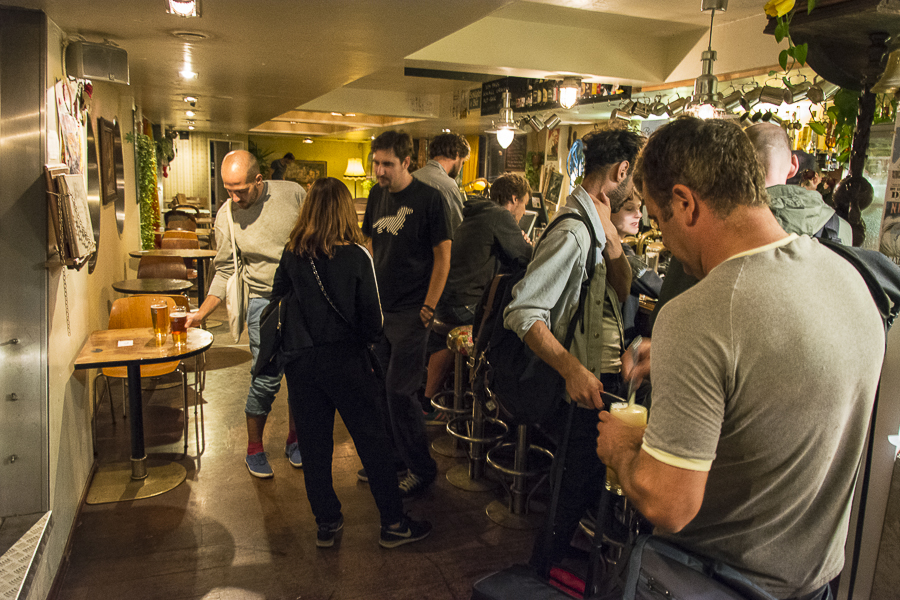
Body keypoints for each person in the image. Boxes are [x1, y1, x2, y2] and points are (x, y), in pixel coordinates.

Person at [596, 117, 885, 600]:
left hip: (714, 582)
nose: (664, 240)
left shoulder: (698, 315)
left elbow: (669, 504)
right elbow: (778, 392)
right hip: (814, 585)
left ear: (685, 203)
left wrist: (621, 449)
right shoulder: (851, 280)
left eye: (660, 220)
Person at [271, 177, 432, 549]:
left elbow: (277, 300)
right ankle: (393, 524)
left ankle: (326, 523)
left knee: (314, 447)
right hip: (347, 362)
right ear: (345, 211)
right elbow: (373, 322)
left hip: (302, 364)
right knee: (373, 443)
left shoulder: (292, 253)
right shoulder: (358, 256)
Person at [503, 128, 640, 564]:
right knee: (569, 492)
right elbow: (523, 312)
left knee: (580, 488)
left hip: (599, 380)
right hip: (581, 385)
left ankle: (556, 570)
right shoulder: (573, 231)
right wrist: (571, 370)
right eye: (636, 177)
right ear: (621, 170)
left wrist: (613, 241)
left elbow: (621, 291)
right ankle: (544, 573)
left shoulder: (599, 223)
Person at [185, 150, 306, 478]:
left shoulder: (294, 195)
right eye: (228, 189)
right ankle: (254, 448)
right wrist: (201, 313)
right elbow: (225, 270)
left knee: (301, 377)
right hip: (262, 304)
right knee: (265, 378)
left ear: (258, 180)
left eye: (240, 190)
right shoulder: (226, 214)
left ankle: (296, 440)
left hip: (300, 301)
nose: (234, 198)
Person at [361, 130, 452, 498]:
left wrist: (429, 307)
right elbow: (370, 242)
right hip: (381, 310)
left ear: (407, 162)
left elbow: (444, 255)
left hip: (414, 311)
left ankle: (422, 468)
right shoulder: (375, 195)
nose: (380, 170)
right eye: (376, 163)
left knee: (400, 392)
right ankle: (395, 460)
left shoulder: (429, 199)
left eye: (388, 164)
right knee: (381, 391)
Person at [423, 172, 533, 402]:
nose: (524, 212)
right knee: (512, 326)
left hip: (446, 302)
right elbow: (527, 259)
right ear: (514, 199)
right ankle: (487, 400)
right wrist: (527, 244)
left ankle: (429, 400)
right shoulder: (500, 216)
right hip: (463, 305)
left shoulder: (479, 213)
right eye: (525, 203)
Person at [609, 192, 662, 347]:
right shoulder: (619, 255)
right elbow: (660, 288)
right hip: (621, 347)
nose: (638, 214)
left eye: (639, 208)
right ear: (609, 211)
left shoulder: (620, 249)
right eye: (629, 209)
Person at [412, 132, 470, 234]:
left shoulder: (411, 178)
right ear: (457, 154)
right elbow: (457, 230)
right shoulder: (448, 186)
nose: (460, 168)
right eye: (463, 162)